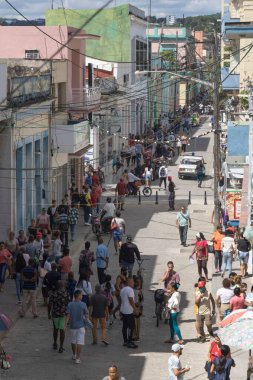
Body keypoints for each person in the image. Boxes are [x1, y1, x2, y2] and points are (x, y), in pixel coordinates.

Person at [65, 289, 89, 364]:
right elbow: (87, 314)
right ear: (78, 296)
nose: (82, 296)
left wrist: (65, 325)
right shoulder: (83, 304)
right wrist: (87, 322)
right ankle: (78, 358)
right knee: (80, 342)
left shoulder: (70, 304)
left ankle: (74, 354)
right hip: (81, 326)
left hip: (73, 326)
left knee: (73, 341)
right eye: (81, 295)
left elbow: (68, 316)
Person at [48, 280, 69, 353]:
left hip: (55, 314)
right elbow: (67, 303)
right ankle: (61, 346)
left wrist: (49, 313)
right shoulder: (65, 294)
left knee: (55, 329)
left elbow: (50, 304)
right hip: (63, 314)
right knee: (62, 330)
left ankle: (55, 343)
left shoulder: (53, 294)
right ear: (62, 286)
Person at [120, 277, 138, 349]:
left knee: (125, 326)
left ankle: (125, 341)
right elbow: (131, 300)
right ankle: (129, 341)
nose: (133, 283)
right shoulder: (130, 290)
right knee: (132, 326)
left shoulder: (123, 289)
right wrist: (135, 309)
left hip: (123, 309)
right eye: (132, 282)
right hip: (128, 311)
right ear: (129, 282)